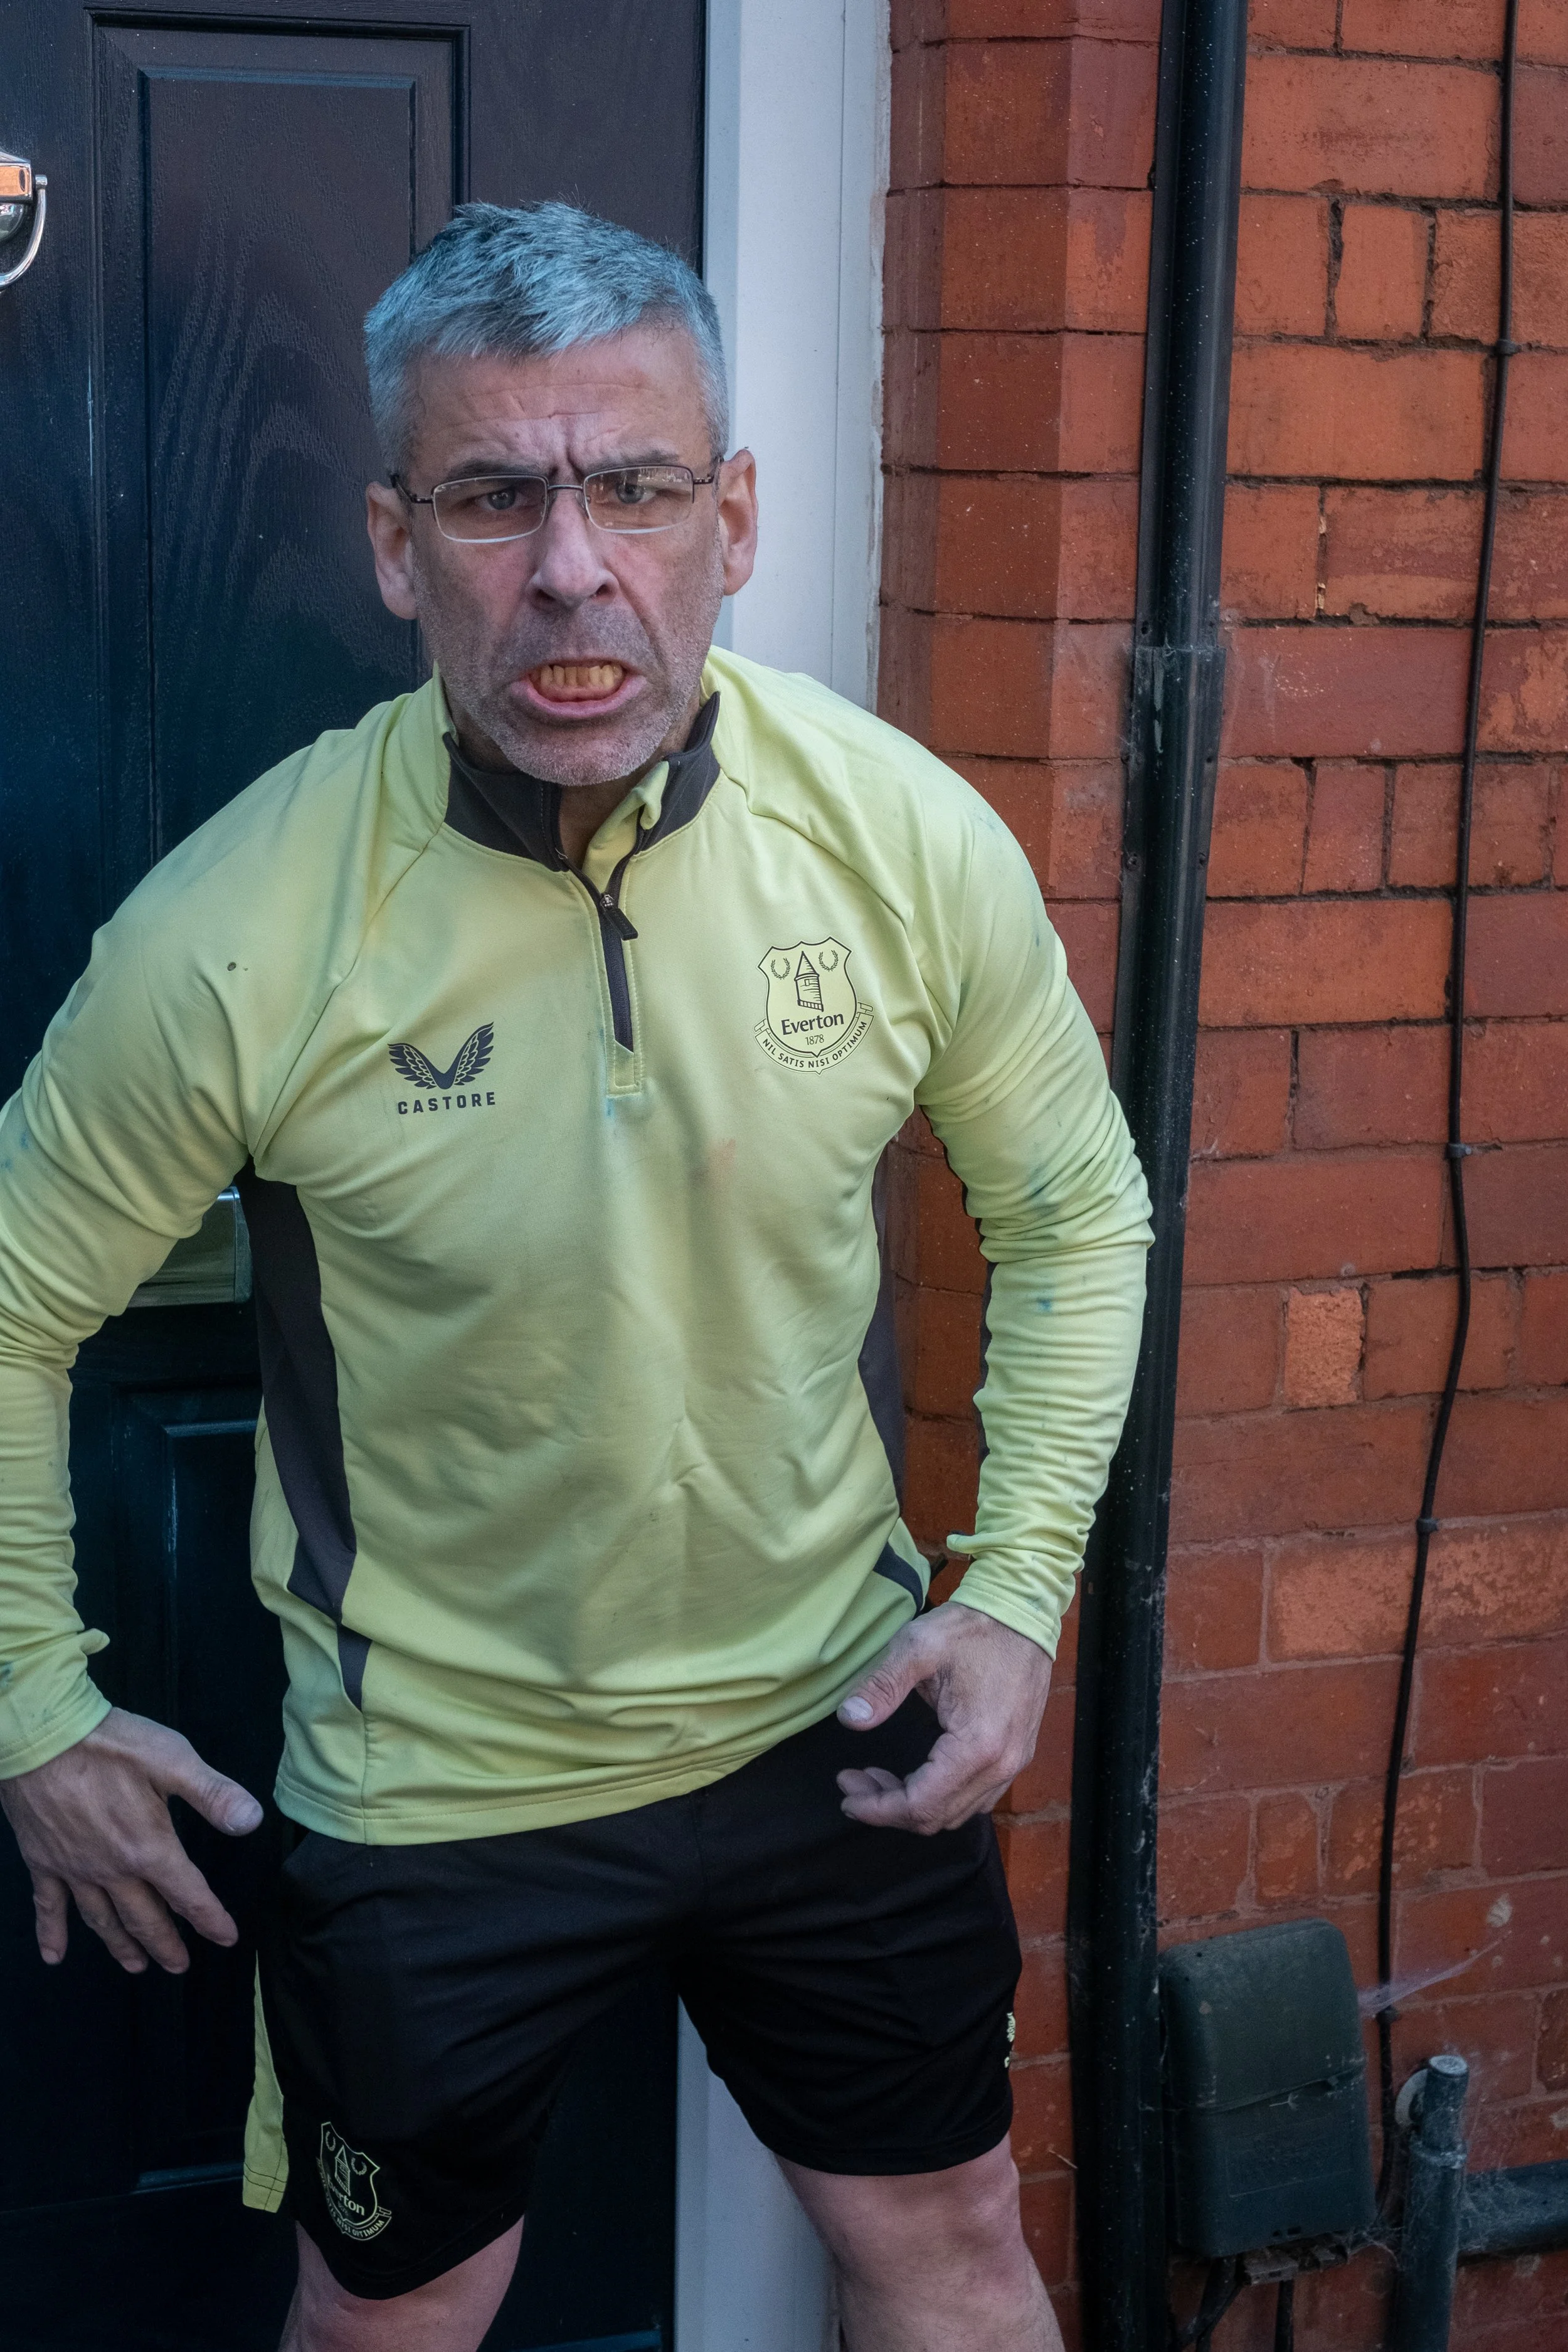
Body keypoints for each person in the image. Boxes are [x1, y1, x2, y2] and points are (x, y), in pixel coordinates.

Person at [0, 202, 1150, 2352]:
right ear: (389, 542)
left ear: (729, 516)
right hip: (440, 1781)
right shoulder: (241, 927)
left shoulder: (897, 841)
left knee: (955, 2252)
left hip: (835, 1720)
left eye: (631, 486)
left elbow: (1079, 1212)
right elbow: (4, 1293)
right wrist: (23, 1698)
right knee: (393, 2323)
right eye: (492, 494)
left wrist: (1011, 1598)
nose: (570, 569)